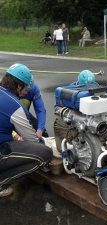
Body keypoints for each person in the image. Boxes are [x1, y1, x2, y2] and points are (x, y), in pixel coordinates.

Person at [0, 63, 53, 197]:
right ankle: (2, 182)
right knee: (45, 154)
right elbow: (32, 140)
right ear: (19, 85)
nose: (26, 93)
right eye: (26, 90)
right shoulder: (14, 105)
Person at [53, 70, 98, 152]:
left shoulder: (97, 88)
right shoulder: (69, 91)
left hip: (91, 117)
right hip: (74, 117)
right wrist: (66, 112)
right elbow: (57, 106)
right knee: (58, 122)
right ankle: (63, 151)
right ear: (78, 83)